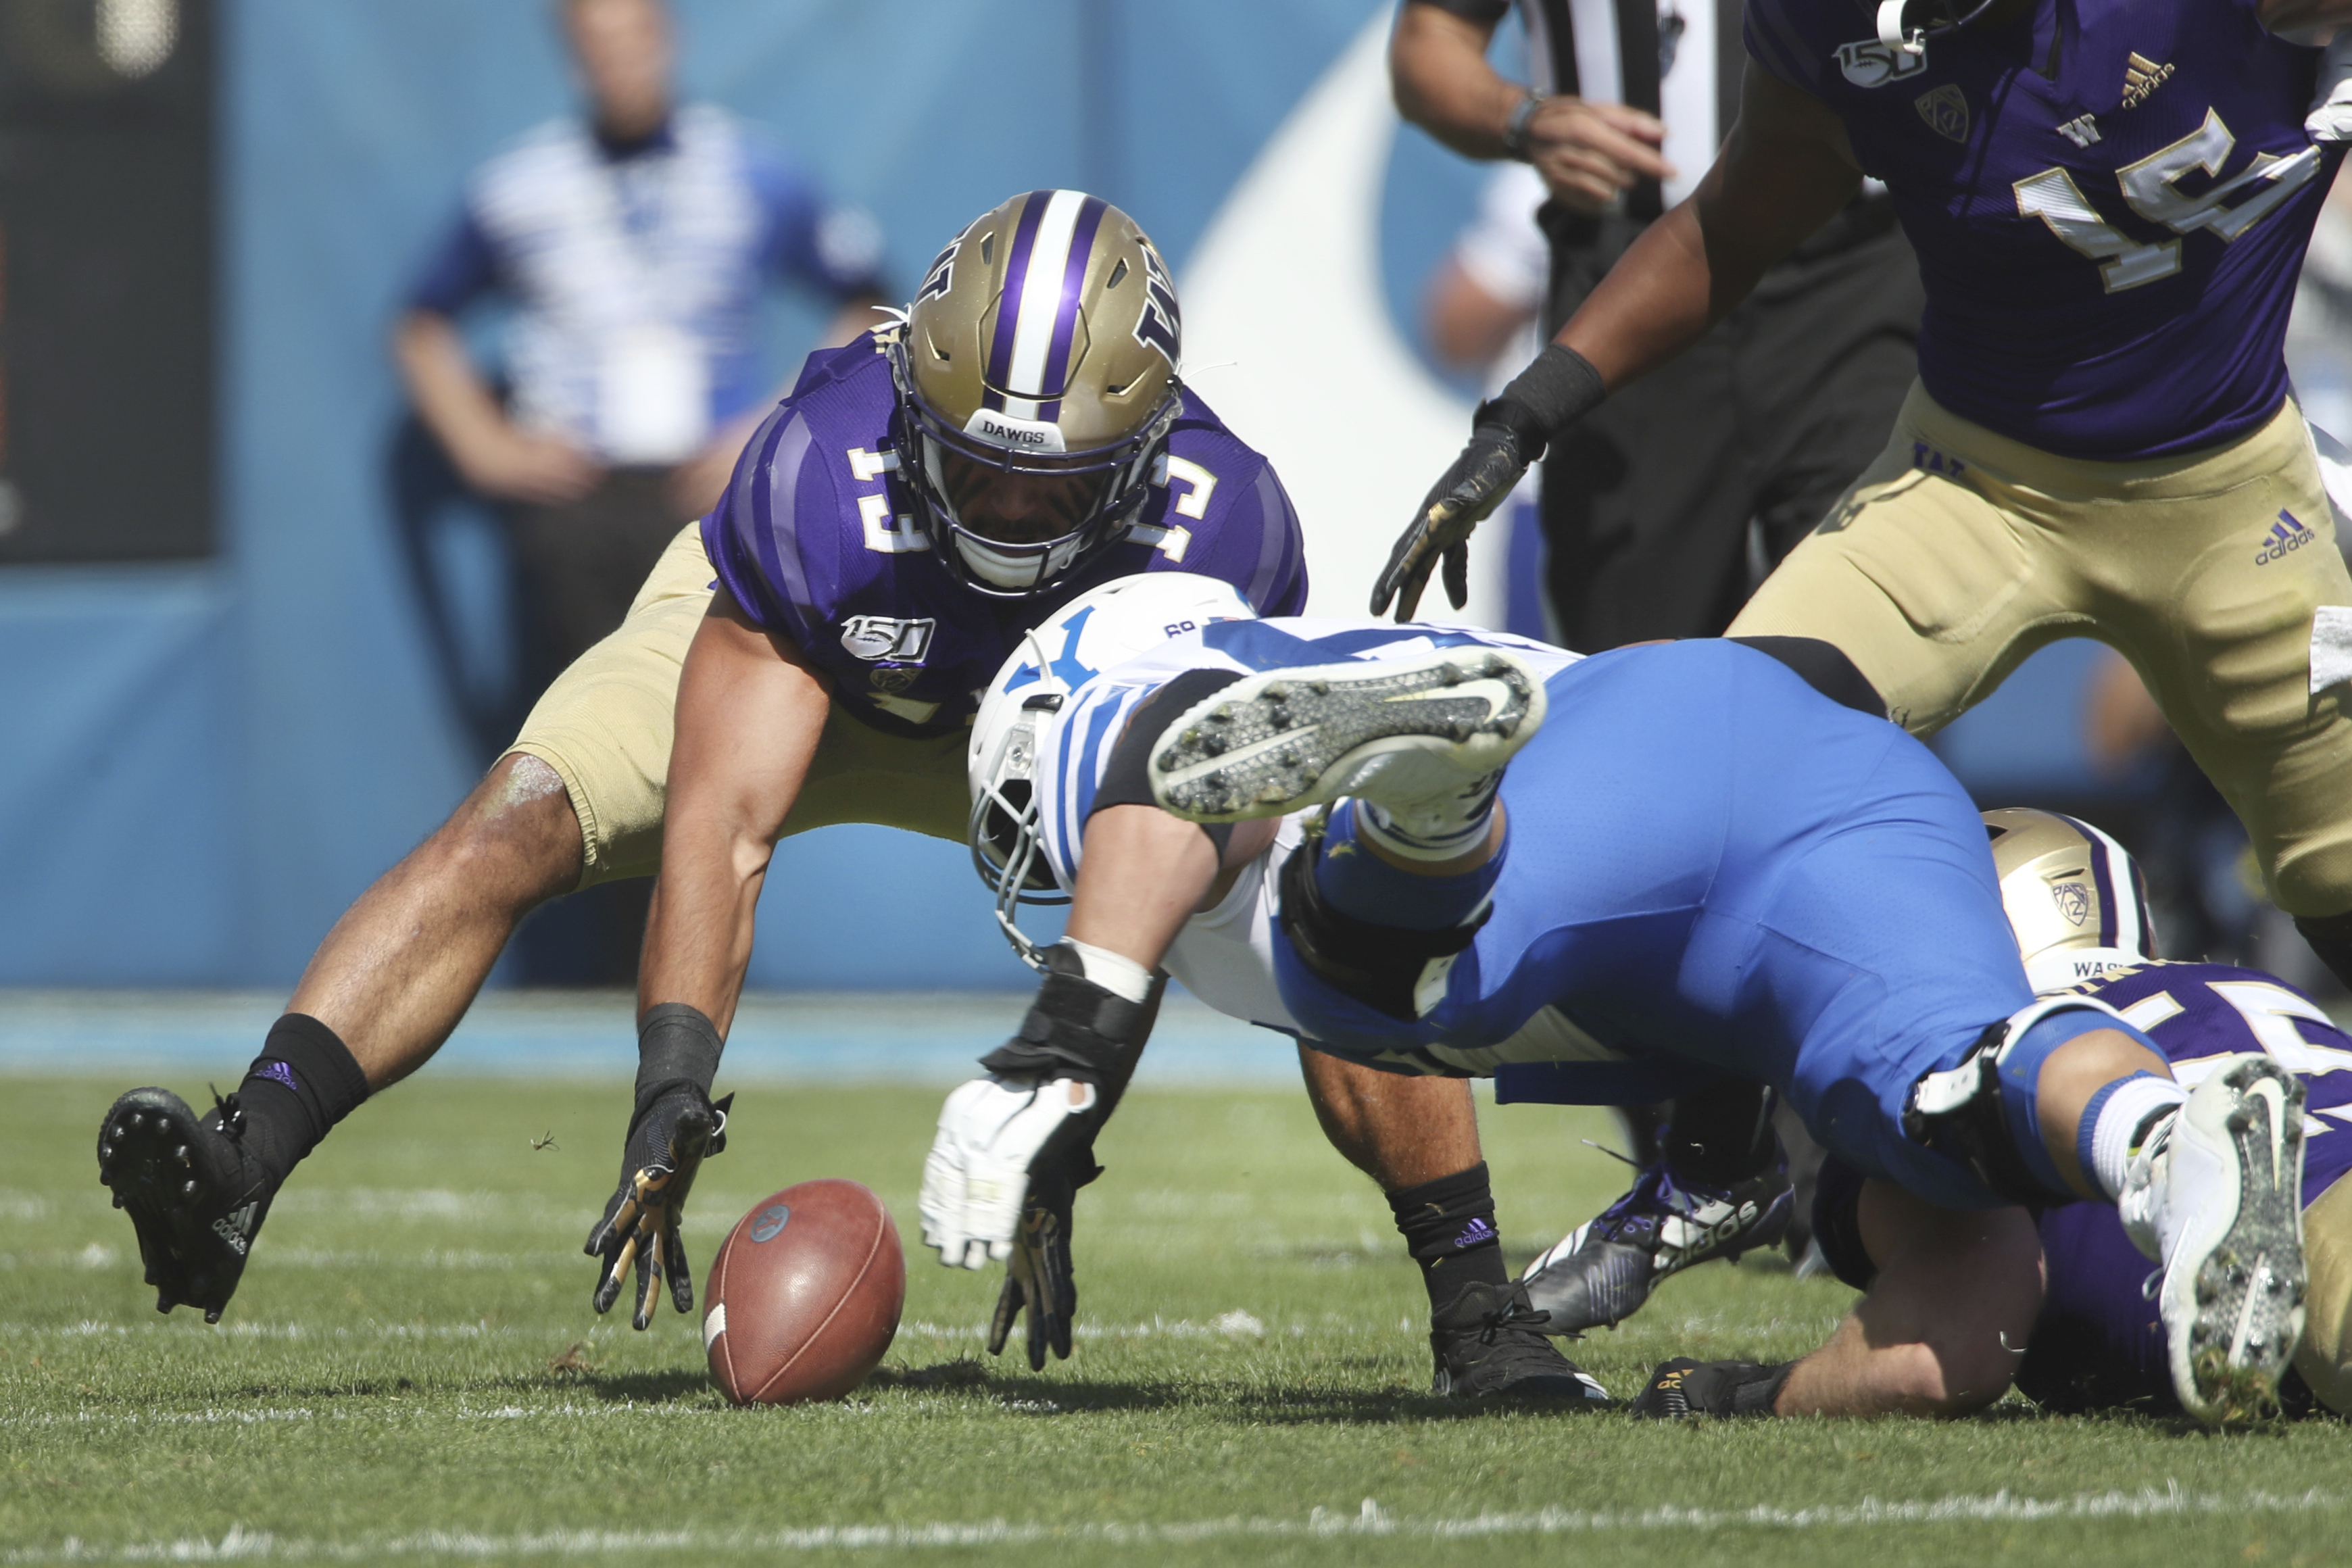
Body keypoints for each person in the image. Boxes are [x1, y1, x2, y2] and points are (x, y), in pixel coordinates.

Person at [94, 192, 1326, 1331]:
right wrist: (672, 1089)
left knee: (1314, 896)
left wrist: (1070, 1109)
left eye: (1044, 490)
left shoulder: (1222, 530)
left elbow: (1179, 858)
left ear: (1139, 451)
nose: (1001, 510)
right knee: (517, 817)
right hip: (810, 657)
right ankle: (242, 1161)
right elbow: (724, 827)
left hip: (1046, 720)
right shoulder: (820, 478)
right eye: (973, 466)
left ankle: (1471, 1294)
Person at [926, 597, 2309, 1425]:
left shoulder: (1155, 733)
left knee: (1358, 974)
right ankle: (2161, 1141)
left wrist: (1071, 1042)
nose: (1055, 874)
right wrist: (1689, 1232)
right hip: (1809, 762)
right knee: (1948, 1090)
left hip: (1593, 774)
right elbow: (1970, 1296)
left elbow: (1165, 783)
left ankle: (1435, 804)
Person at [1375, 0, 2352, 1014]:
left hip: (2231, 502)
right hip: (1972, 489)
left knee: (2340, 878)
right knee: (1709, 769)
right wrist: (1523, 418)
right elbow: (1729, 226)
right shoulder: (1825, 30)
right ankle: (1718, 1161)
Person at [923, 572, 1611, 1404]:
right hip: (1668, 762)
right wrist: (1068, 1128)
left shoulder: (1202, 724)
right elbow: (1156, 933)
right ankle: (1709, 1168)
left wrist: (1063, 1037)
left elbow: (1199, 733)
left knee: (1353, 949)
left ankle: (1690, 1184)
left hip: (1615, 787)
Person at [1702, 808, 2352, 1419]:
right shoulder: (2261, 992)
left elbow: (1941, 1346)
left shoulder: (1971, 1062)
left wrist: (1747, 1392)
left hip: (2316, 1256)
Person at [1390, 0, 1923, 647]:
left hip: (1858, 271)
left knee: (1867, 635)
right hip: (1635, 285)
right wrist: (1522, 119)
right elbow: (1432, 35)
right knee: (1634, 650)